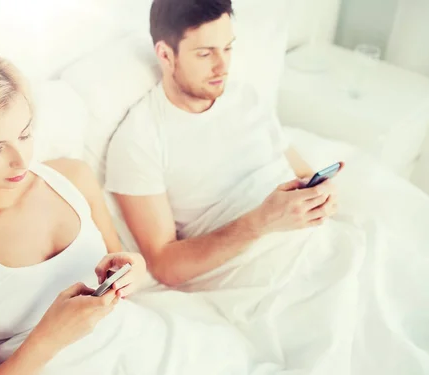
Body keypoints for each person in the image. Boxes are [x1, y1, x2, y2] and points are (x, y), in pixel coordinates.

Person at [0, 46, 282, 375]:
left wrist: (133, 271)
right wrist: (51, 336)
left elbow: (131, 270)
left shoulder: (70, 177)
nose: (21, 159)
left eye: (25, 134)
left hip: (151, 348)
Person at [105, 0, 429, 374]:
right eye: (206, 53)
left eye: (228, 48)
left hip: (324, 241)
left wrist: (316, 193)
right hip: (267, 278)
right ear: (165, 54)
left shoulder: (244, 96)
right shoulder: (139, 140)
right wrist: (262, 222)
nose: (222, 66)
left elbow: (292, 163)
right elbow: (163, 264)